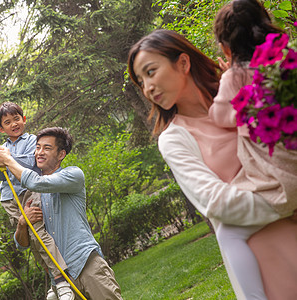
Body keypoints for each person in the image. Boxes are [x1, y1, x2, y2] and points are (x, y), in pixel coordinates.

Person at [127, 29, 297, 299]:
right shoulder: (174, 139)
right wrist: (288, 200)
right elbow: (219, 203)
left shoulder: (244, 88)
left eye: (150, 72)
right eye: (140, 81)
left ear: (182, 63)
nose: (147, 87)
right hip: (266, 257)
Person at [208, 0, 297, 298]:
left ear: (225, 48)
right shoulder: (286, 62)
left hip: (278, 184)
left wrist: (225, 79)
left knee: (228, 232)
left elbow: (219, 116)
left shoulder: (236, 77)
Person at [0, 127, 123, 300]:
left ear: (61, 154)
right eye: (37, 147)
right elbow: (22, 244)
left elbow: (37, 182)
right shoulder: (31, 195)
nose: (39, 153)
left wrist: (8, 160)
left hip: (87, 265)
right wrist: (22, 222)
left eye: (47, 148)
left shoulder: (73, 175)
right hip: (61, 283)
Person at [0, 102, 73, 299]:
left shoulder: (33, 141)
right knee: (31, 241)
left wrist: (8, 158)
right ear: (1, 129)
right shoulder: (3, 147)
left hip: (30, 192)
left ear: (24, 119)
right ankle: (54, 281)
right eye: (7, 122)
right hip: (9, 199)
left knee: (40, 232)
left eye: (16, 119)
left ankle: (62, 280)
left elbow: (32, 162)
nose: (14, 124)